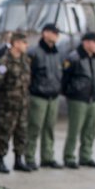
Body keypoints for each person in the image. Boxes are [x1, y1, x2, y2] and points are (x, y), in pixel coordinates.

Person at [0, 32, 32, 173]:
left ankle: (18, 160)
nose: (27, 45)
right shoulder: (4, 62)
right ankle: (0, 160)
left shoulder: (25, 60)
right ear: (16, 44)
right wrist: (5, 96)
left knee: (22, 132)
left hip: (23, 104)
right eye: (24, 43)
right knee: (5, 132)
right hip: (8, 106)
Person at [25, 23, 64, 169]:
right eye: (53, 33)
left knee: (49, 128)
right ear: (45, 34)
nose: (56, 36)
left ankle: (47, 157)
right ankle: (29, 157)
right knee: (34, 128)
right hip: (38, 96)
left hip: (53, 97)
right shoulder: (34, 52)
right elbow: (26, 74)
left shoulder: (56, 53)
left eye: (57, 33)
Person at [62, 32, 95, 169]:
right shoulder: (74, 58)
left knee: (90, 130)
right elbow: (64, 79)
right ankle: (69, 156)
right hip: (78, 99)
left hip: (92, 99)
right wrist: (71, 93)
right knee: (75, 129)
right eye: (94, 42)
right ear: (86, 42)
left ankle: (86, 156)